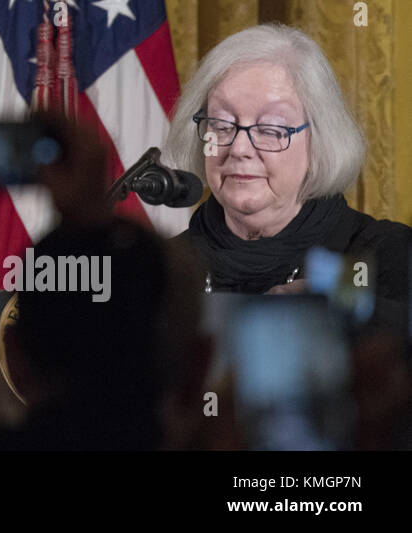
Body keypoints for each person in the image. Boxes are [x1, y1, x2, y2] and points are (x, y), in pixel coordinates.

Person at [163, 23, 411, 328]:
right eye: (222, 124)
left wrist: (346, 308)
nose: (240, 148)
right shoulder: (162, 266)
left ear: (320, 140)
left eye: (270, 129)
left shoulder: (380, 256)